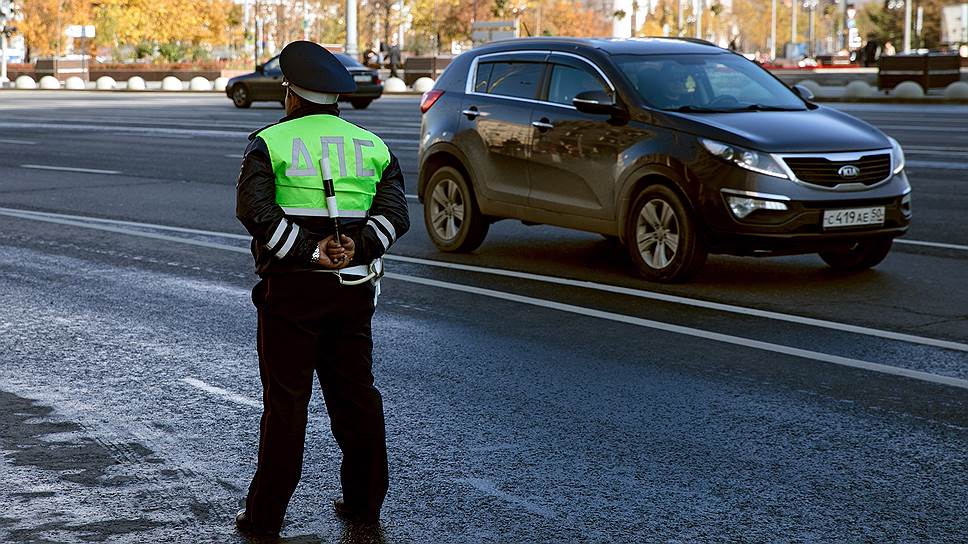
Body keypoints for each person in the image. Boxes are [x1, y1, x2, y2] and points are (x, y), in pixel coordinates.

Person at [234, 40, 409, 539]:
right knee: (355, 397)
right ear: (333, 98)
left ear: (291, 96)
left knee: (286, 403)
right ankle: (363, 505)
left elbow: (255, 213)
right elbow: (396, 217)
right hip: (352, 293)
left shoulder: (269, 143)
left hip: (291, 293)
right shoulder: (373, 146)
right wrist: (353, 248)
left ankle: (265, 516)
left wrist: (311, 252)